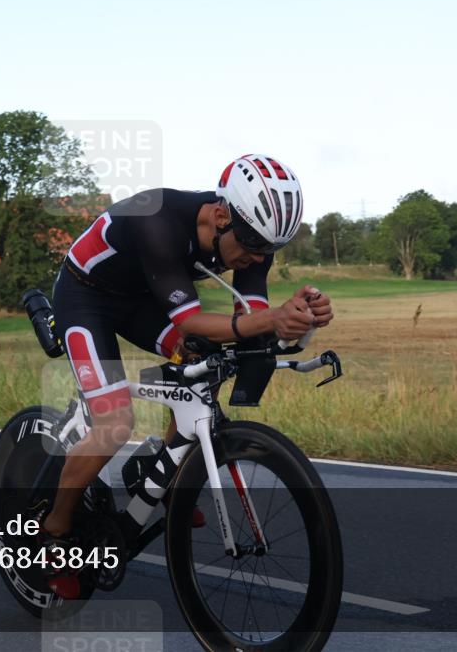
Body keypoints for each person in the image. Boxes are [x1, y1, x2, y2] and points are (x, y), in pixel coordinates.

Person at [40, 154, 335, 599]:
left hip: (144, 297)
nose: (256, 259)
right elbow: (192, 322)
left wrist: (299, 322)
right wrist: (270, 321)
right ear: (220, 216)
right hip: (86, 298)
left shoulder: (253, 236)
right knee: (115, 421)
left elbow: (250, 322)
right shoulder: (157, 218)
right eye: (253, 245)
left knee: (208, 362)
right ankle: (54, 533)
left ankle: (162, 471)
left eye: (269, 251)